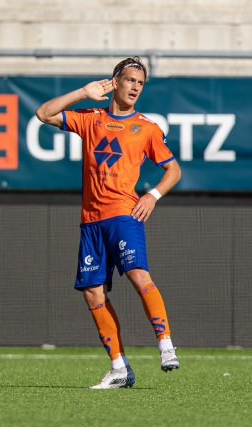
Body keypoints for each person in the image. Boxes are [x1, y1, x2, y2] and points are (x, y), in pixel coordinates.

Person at [36, 57, 182, 389]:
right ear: (115, 81)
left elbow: (173, 171)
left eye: (140, 83)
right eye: (130, 80)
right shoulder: (91, 119)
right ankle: (119, 368)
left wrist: (152, 195)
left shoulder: (146, 128)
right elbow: (43, 114)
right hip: (91, 221)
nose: (135, 88)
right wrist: (83, 93)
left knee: (137, 273)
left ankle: (166, 345)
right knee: (92, 293)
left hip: (123, 214)